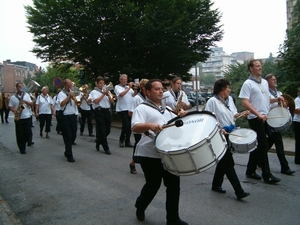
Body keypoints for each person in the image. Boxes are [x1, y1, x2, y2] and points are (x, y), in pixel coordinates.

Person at [131, 79, 188, 225]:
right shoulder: (142, 108)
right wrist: (150, 125)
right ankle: (141, 205)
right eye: (156, 89)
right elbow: (135, 127)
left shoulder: (168, 110)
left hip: (168, 154)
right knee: (153, 185)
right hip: (150, 155)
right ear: (148, 92)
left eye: (162, 88)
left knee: (174, 186)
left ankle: (173, 219)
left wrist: (181, 117)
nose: (161, 91)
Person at [205, 79, 250, 199]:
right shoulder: (212, 101)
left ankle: (216, 185)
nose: (230, 90)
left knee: (223, 161)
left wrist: (241, 113)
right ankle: (239, 191)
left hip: (230, 133)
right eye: (228, 88)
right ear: (221, 89)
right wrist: (219, 129)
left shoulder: (229, 99)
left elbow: (233, 114)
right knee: (228, 162)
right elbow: (208, 119)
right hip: (219, 134)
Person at [239, 59, 282, 184]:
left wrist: (277, 99)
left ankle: (250, 170)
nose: (260, 67)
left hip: (265, 117)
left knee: (259, 145)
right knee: (263, 145)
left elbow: (267, 99)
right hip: (255, 118)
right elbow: (245, 102)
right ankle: (267, 175)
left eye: (260, 65)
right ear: (251, 68)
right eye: (257, 66)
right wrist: (257, 114)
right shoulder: (248, 83)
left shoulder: (264, 82)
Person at [265, 73, 295, 175]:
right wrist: (277, 101)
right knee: (278, 144)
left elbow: (283, 106)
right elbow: (265, 103)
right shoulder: (265, 93)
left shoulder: (279, 92)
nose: (275, 81)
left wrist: (285, 104)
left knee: (268, 143)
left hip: (276, 121)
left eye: (275, 79)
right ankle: (284, 167)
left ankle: (258, 159)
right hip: (269, 120)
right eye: (273, 79)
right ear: (268, 81)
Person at [89, 76, 114, 155]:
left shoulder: (107, 91)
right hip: (99, 111)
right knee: (102, 130)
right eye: (100, 83)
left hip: (107, 111)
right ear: (97, 84)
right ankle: (106, 148)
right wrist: (103, 94)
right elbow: (96, 101)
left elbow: (112, 102)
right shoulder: (93, 92)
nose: (102, 85)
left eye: (103, 83)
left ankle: (99, 141)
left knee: (108, 130)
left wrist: (108, 95)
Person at [128, 78, 149, 174]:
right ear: (143, 87)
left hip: (147, 125)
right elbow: (130, 113)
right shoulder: (137, 98)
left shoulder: (148, 98)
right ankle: (133, 163)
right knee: (139, 145)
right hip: (139, 126)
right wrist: (140, 118)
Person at [57, 79, 79, 162]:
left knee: (73, 134)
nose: (70, 86)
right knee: (67, 136)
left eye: (71, 85)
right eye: (69, 85)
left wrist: (77, 97)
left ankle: (67, 151)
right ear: (65, 85)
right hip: (65, 117)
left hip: (73, 116)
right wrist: (69, 96)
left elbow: (78, 103)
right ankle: (70, 155)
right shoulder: (61, 94)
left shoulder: (73, 92)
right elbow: (61, 104)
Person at [8, 82, 33, 154]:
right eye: (19, 87)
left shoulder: (27, 95)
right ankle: (22, 148)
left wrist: (26, 102)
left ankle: (25, 142)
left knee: (28, 133)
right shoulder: (13, 97)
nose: (20, 88)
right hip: (19, 118)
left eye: (21, 87)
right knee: (20, 134)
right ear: (16, 88)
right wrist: (15, 111)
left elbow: (31, 104)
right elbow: (10, 106)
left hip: (27, 117)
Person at [114, 74, 137, 147]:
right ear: (120, 80)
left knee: (130, 126)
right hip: (122, 109)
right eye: (123, 79)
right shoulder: (117, 87)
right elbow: (121, 94)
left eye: (126, 80)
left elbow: (134, 95)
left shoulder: (128, 87)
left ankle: (127, 141)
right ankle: (121, 140)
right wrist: (129, 87)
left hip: (129, 108)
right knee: (126, 125)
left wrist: (136, 88)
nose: (125, 81)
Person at [293, 87, 300, 165]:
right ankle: (298, 159)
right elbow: (296, 111)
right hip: (298, 122)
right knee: (298, 141)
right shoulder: (297, 100)